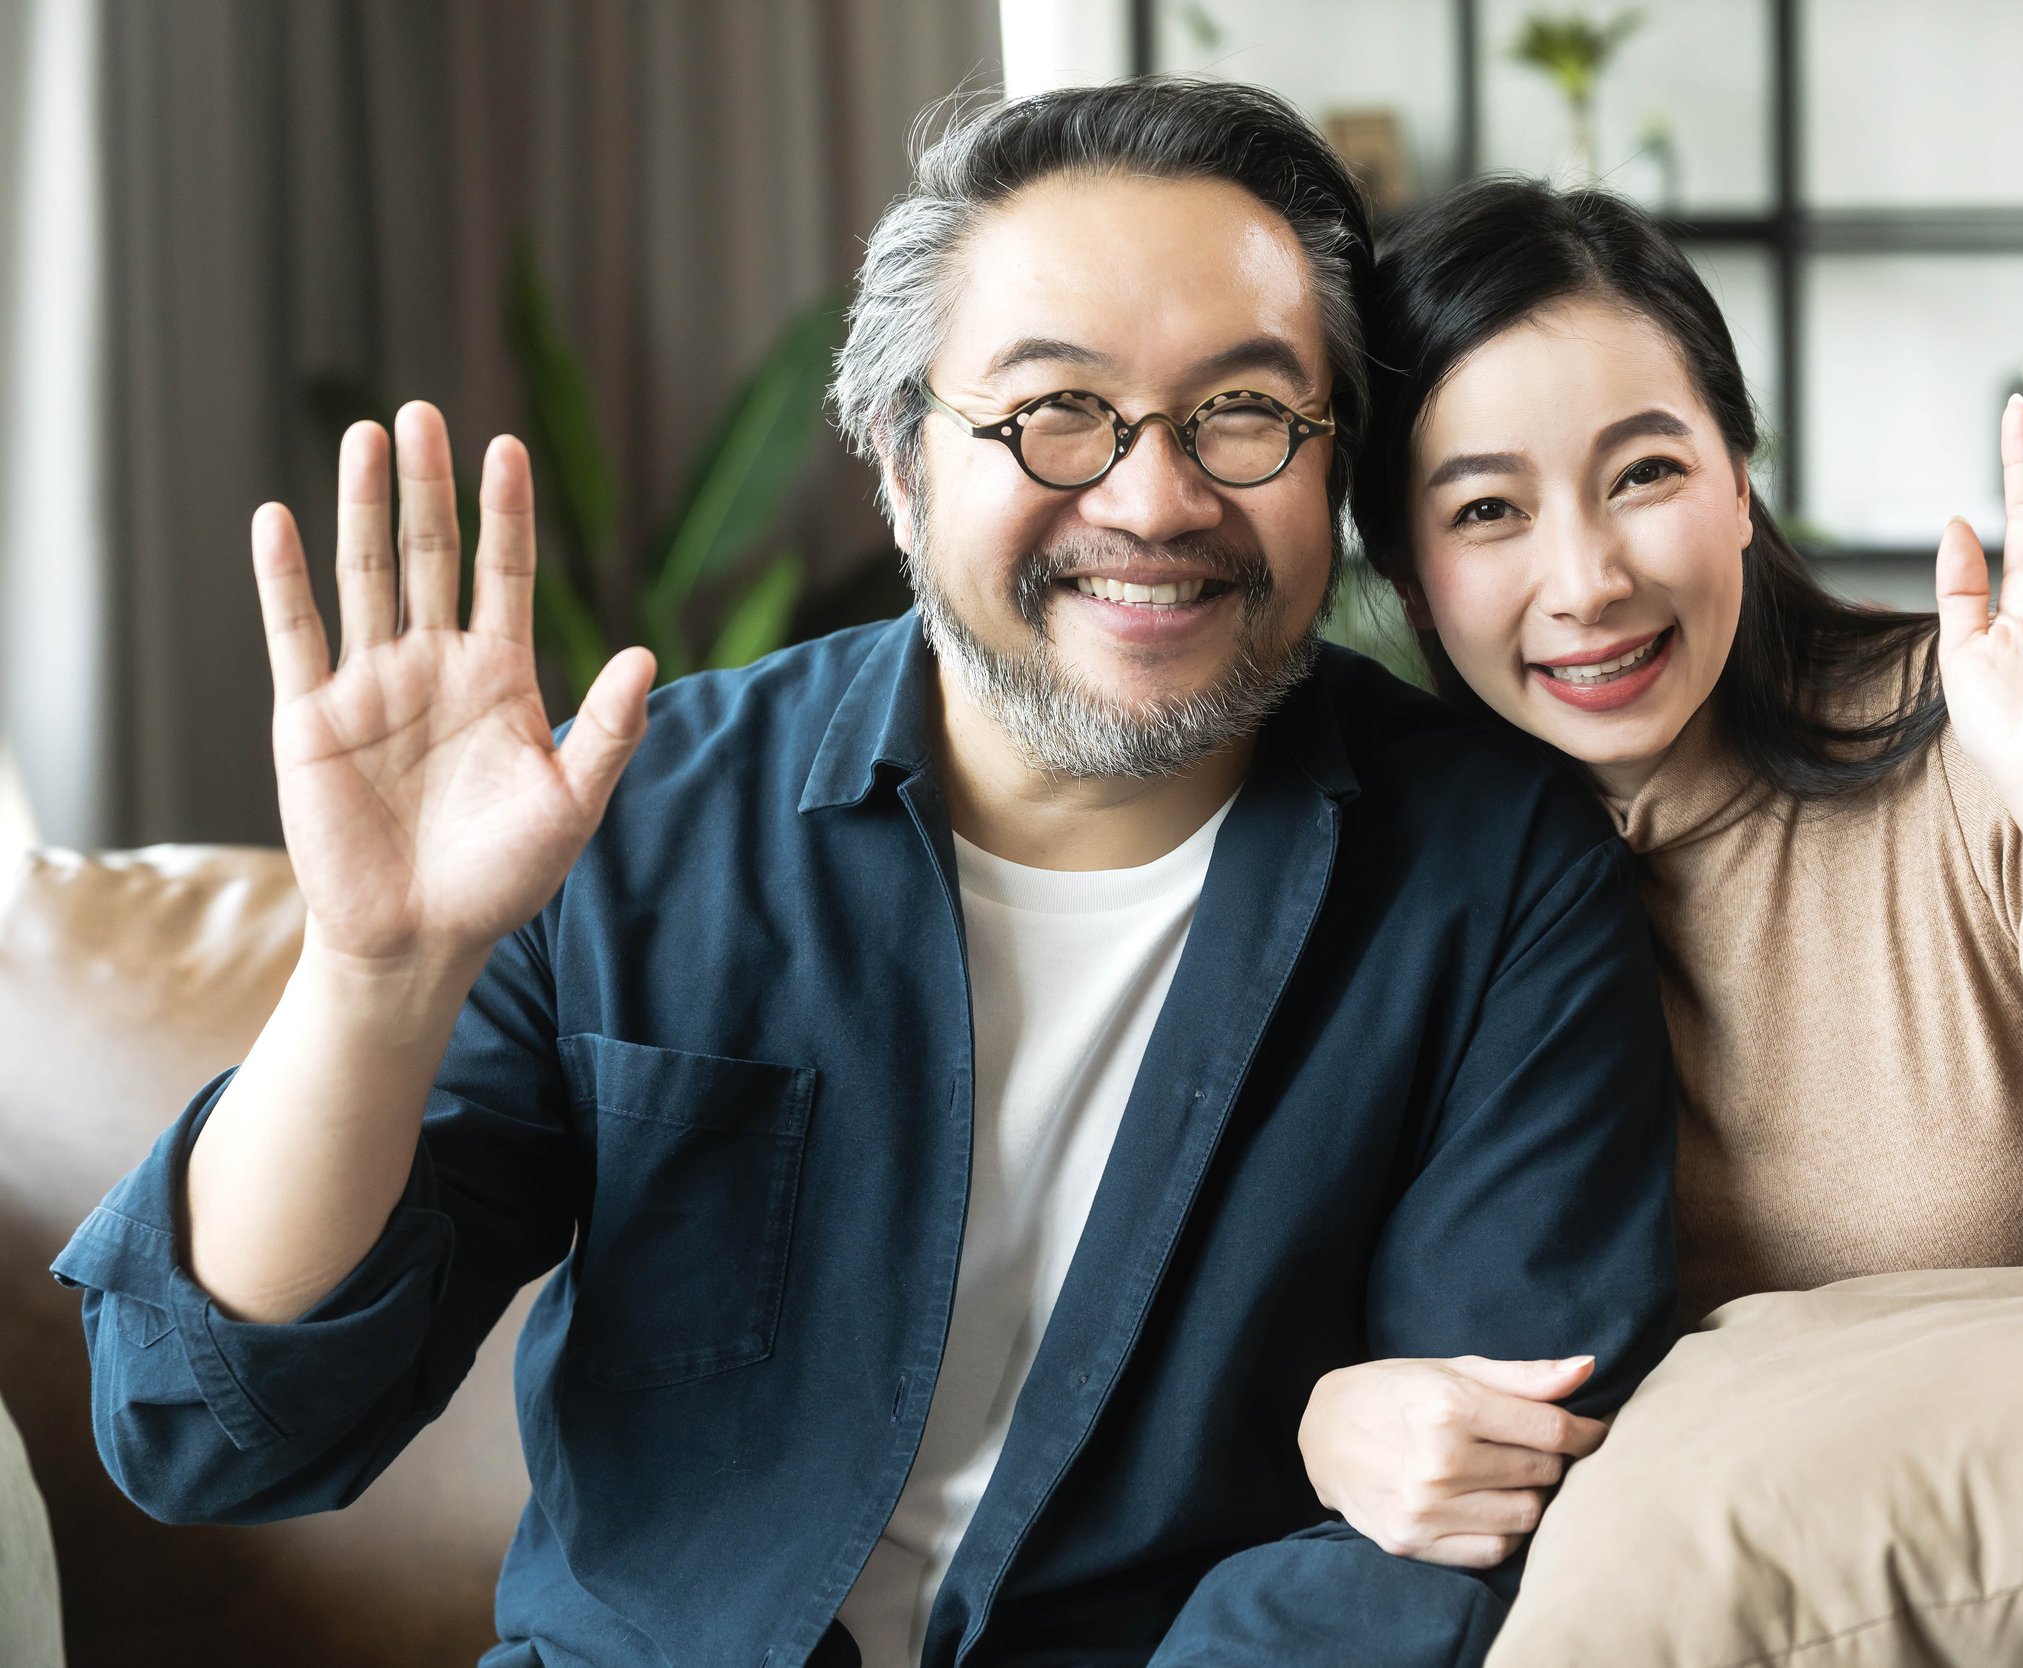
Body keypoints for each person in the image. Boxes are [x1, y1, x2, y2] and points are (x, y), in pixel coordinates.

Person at [52, 91, 1679, 1668]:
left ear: (1332, 467)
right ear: (902, 466)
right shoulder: (634, 816)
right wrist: (376, 978)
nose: (1156, 496)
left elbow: (1454, 1519)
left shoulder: (1500, 877)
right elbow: (211, 1433)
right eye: (1055, 410)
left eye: (1245, 412)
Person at [1296, 178, 2023, 1641]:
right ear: (1412, 581)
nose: (1588, 581)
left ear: (1738, 481)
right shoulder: (1397, 875)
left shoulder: (1990, 740)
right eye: (1488, 510)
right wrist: (1328, 1427)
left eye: (1644, 473)